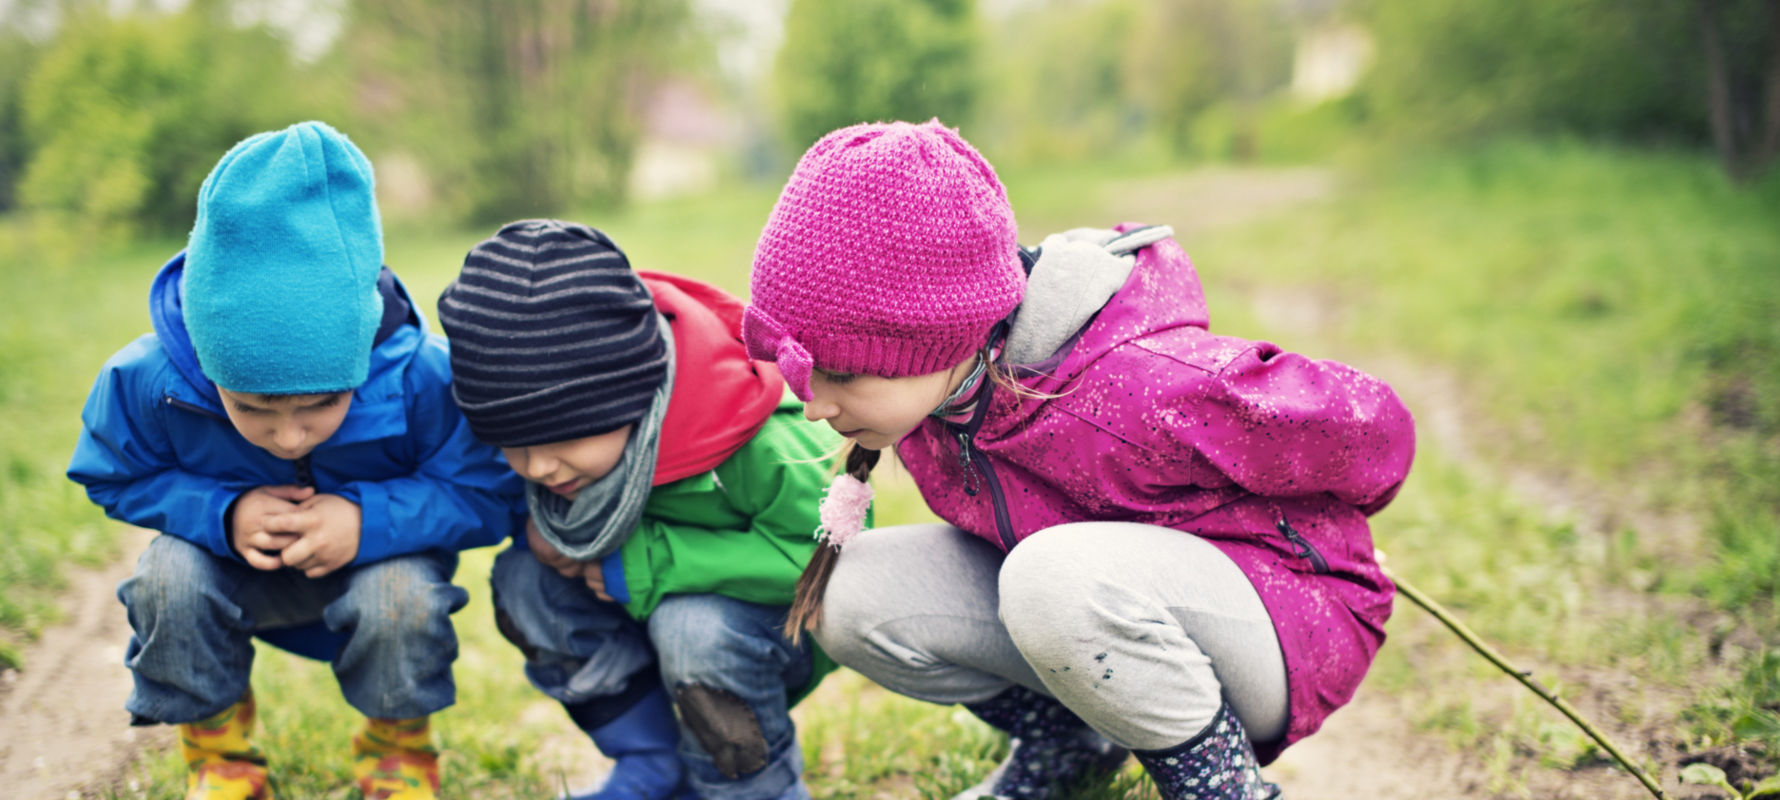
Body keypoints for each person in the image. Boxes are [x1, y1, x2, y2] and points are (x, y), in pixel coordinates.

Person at [740, 120, 1416, 800]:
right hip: (1101, 611)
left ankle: (1222, 787)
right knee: (850, 593)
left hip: (1285, 622)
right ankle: (1069, 749)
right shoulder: (938, 403)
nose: (815, 404)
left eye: (841, 374)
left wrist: (1328, 537)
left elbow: (1378, 431)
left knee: (1051, 576)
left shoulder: (1141, 386)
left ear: (931, 340)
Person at [67, 122, 520, 800]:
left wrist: (367, 521)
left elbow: (488, 491)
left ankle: (396, 753)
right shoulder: (150, 379)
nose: (289, 438)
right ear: (207, 359)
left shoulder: (422, 376)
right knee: (168, 577)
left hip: (374, 569)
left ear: (360, 353)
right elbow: (113, 471)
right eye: (250, 409)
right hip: (234, 571)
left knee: (401, 596)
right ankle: (219, 759)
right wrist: (223, 512)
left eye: (322, 404)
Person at [437, 220, 844, 800]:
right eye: (514, 445)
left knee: (693, 628)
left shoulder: (755, 437)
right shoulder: (555, 455)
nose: (538, 468)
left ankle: (753, 788)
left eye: (560, 440)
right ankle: (653, 761)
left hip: (768, 628)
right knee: (525, 584)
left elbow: (824, 561)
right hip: (650, 625)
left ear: (630, 395)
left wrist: (644, 561)